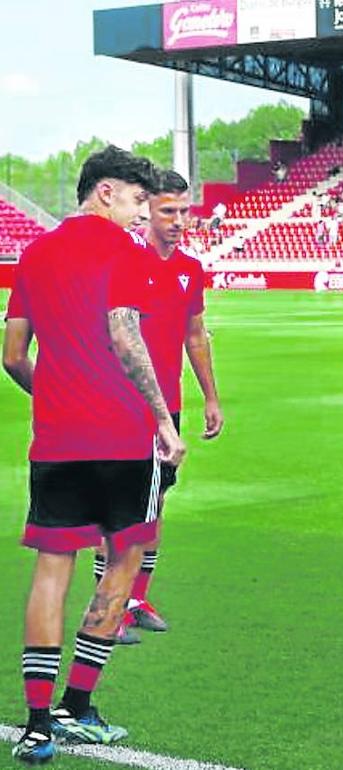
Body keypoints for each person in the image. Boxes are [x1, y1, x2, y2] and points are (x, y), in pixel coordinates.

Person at [3, 146, 187, 763]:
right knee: (122, 567)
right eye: (138, 200)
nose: (142, 214)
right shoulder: (124, 252)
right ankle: (77, 708)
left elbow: (12, 356)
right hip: (121, 438)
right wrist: (163, 420)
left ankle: (35, 724)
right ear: (106, 191)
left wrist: (54, 395)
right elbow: (123, 332)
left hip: (55, 440)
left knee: (51, 574)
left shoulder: (32, 254)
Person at [97, 169, 224, 644]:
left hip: (169, 405)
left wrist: (211, 396)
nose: (177, 220)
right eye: (167, 211)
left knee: (155, 502)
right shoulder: (125, 260)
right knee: (120, 506)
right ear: (146, 209)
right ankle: (108, 607)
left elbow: (194, 335)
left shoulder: (191, 268)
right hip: (125, 405)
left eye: (183, 211)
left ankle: (136, 598)